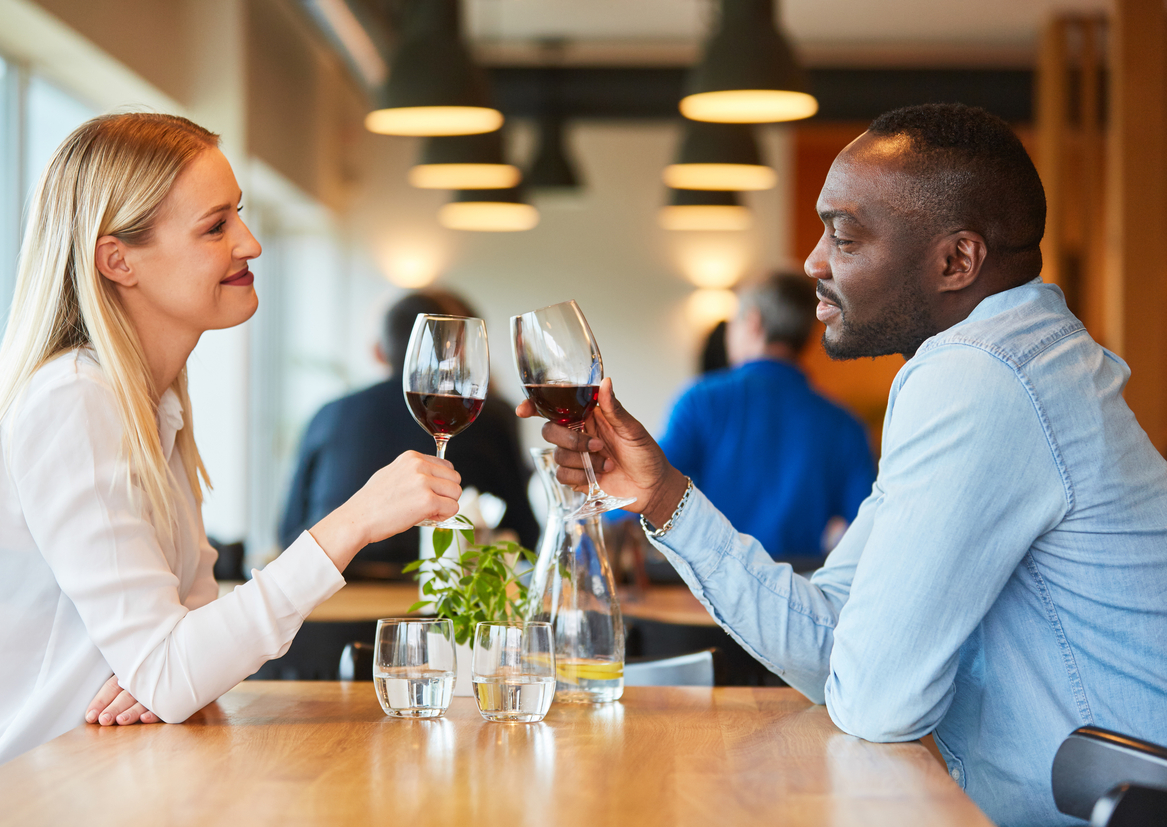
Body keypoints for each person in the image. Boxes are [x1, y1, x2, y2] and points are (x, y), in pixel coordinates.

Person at [523, 104, 1167, 827]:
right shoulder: (1013, 362)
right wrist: (663, 494)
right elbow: (834, 638)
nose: (814, 262)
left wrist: (860, 676)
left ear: (956, 260)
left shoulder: (982, 376)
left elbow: (877, 701)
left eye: (845, 235)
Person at [0, 113, 462, 792]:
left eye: (238, 214)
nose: (251, 242)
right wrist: (353, 521)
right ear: (118, 259)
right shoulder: (73, 402)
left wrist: (172, 670)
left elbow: (193, 642)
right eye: (215, 227)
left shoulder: (152, 404)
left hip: (78, 777)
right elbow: (176, 666)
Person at [278, 290, 539, 575]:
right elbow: (524, 533)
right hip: (441, 603)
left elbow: (289, 532)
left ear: (378, 351)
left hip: (328, 603)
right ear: (459, 351)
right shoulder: (491, 415)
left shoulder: (328, 414)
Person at [660, 274, 874, 568]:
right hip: (801, 593)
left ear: (753, 322)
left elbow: (651, 481)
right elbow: (866, 532)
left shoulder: (702, 402)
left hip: (710, 592)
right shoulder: (846, 425)